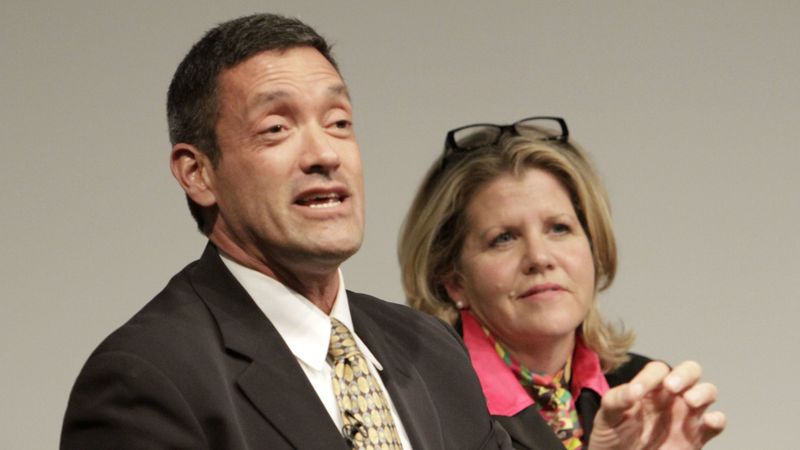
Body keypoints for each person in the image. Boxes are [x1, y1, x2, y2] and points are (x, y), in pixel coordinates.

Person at [60, 14, 513, 450]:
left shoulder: (432, 350)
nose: (324, 154)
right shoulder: (147, 381)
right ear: (197, 173)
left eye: (338, 123)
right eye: (276, 128)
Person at [399, 117, 726, 449]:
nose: (540, 258)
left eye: (559, 228)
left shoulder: (642, 393)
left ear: (594, 245)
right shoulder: (420, 404)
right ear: (453, 280)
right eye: (504, 238)